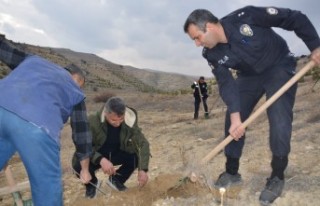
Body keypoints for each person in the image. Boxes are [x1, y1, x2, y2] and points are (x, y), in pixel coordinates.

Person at [184, 6, 320, 204]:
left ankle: (277, 177)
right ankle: (232, 172)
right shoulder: (210, 54)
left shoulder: (246, 16)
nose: (197, 44)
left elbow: (294, 18)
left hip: (279, 65)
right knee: (232, 118)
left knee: (279, 119)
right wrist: (236, 117)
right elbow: (226, 83)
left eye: (197, 37)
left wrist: (315, 46)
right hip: (249, 77)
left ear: (210, 27)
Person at [0, 34, 93, 206]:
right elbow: (82, 134)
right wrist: (85, 170)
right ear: (77, 79)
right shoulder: (75, 89)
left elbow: (6, 51)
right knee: (47, 190)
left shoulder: (34, 61)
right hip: (36, 127)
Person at [72, 96, 150, 198]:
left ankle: (116, 180)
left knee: (136, 156)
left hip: (115, 154)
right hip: (95, 156)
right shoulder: (92, 121)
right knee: (78, 163)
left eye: (121, 119)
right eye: (113, 120)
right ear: (106, 113)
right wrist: (100, 159)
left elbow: (143, 144)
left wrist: (143, 169)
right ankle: (92, 185)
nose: (118, 123)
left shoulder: (129, 120)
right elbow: (83, 146)